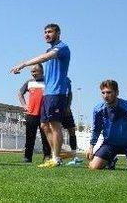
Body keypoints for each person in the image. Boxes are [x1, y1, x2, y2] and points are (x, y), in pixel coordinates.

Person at [11, 23, 71, 168]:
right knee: (44, 125)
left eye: (50, 32)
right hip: (48, 93)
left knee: (55, 125)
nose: (46, 34)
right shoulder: (49, 49)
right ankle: (55, 154)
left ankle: (56, 158)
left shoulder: (62, 48)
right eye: (45, 32)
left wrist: (24, 64)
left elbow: (45, 58)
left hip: (57, 92)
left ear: (58, 33)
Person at [87, 80, 127, 173]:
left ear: (117, 93)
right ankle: (111, 160)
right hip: (110, 144)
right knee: (94, 167)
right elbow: (96, 129)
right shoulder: (98, 109)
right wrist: (91, 146)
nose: (105, 96)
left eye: (109, 92)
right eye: (103, 93)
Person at [18, 64, 52, 163]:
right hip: (31, 114)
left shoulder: (48, 82)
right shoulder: (29, 82)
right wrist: (24, 105)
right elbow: (20, 93)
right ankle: (27, 157)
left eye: (35, 71)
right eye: (32, 72)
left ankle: (47, 156)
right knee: (29, 137)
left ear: (42, 71)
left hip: (44, 115)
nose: (33, 74)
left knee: (45, 137)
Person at [62, 78, 83, 166]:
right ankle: (54, 156)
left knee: (72, 131)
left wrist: (68, 106)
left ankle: (74, 156)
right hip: (54, 109)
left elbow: (70, 93)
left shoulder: (66, 80)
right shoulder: (51, 77)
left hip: (66, 111)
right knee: (55, 131)